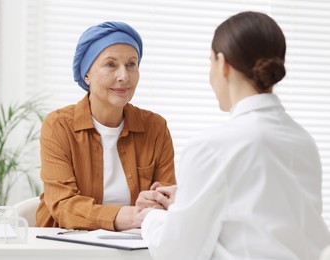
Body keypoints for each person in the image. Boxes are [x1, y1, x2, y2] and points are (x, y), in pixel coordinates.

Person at [136, 11, 330, 259]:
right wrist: (189, 198)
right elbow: (267, 217)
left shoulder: (213, 146)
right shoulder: (303, 141)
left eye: (209, 62)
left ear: (222, 63)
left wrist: (151, 218)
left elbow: (178, 251)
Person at [35, 21, 176, 231]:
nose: (124, 76)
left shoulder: (155, 128)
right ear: (87, 74)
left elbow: (167, 201)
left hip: (133, 247)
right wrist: (130, 216)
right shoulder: (59, 126)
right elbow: (63, 206)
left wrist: (159, 202)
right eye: (111, 64)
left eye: (131, 64)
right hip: (65, 246)